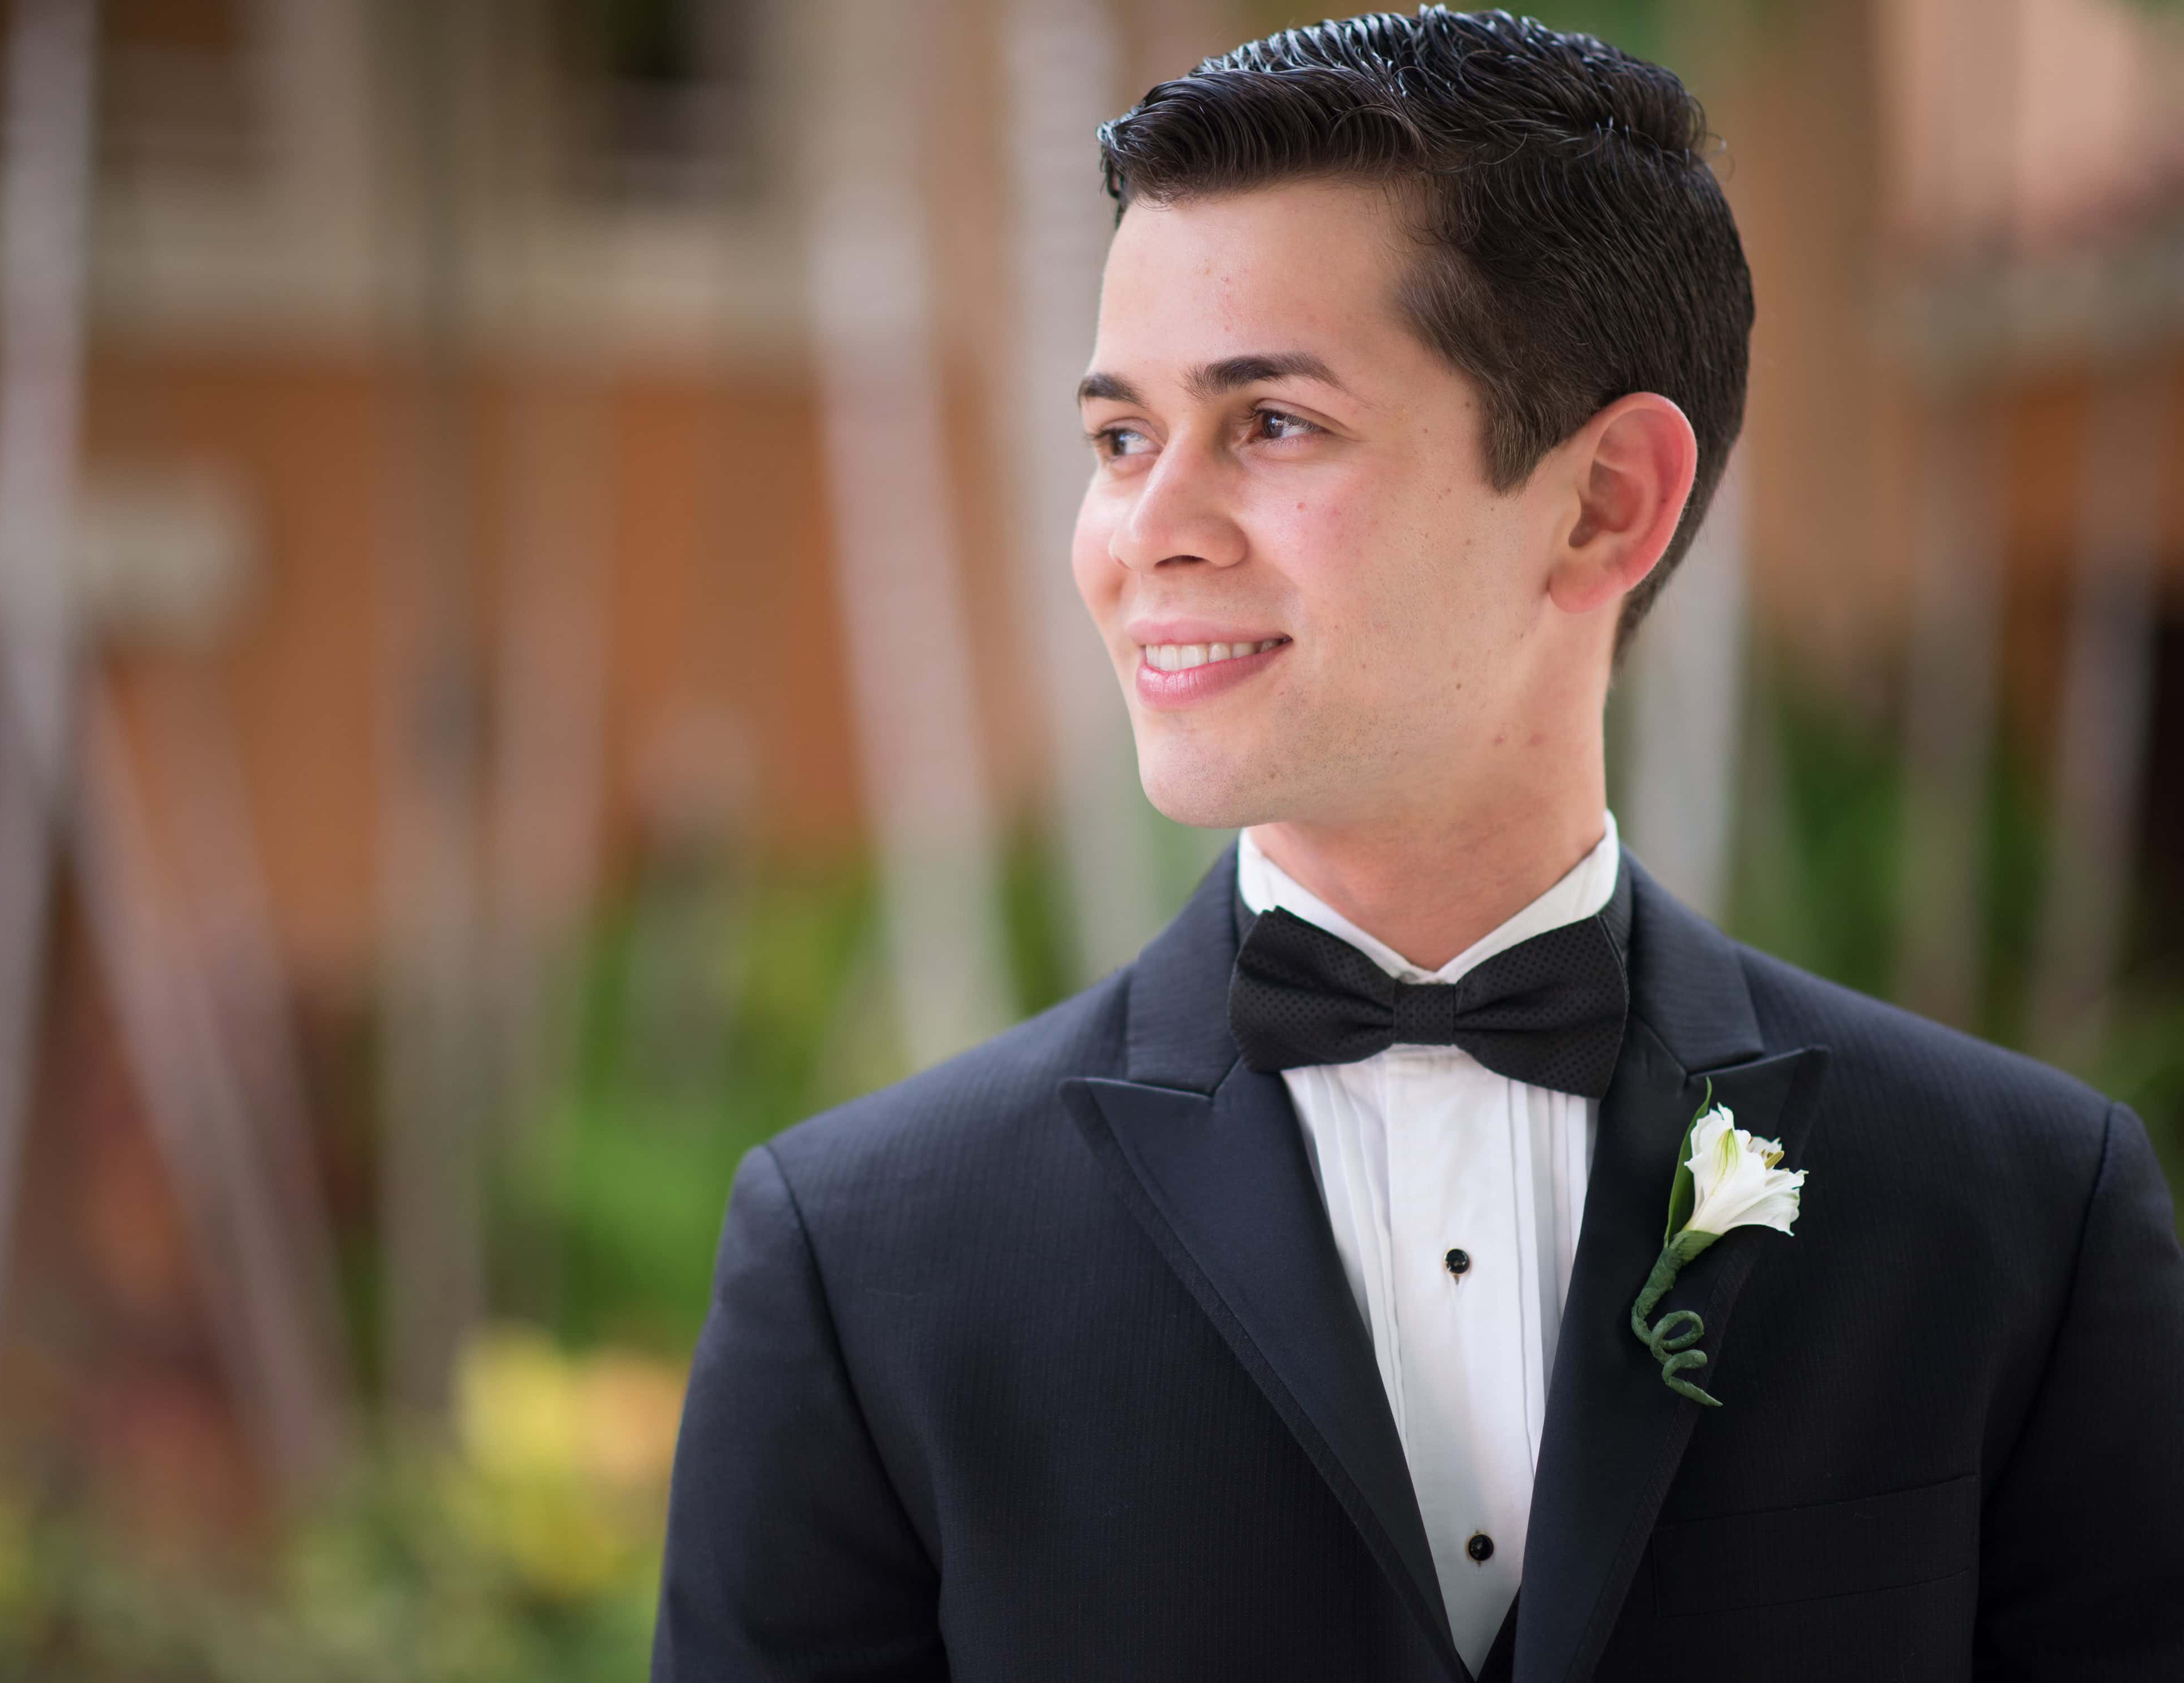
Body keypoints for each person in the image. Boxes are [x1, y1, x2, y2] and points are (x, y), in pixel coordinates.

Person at [651, 12, 2184, 1682]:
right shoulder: (860, 1255)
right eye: (1115, 438)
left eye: (1270, 425)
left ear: (1603, 498)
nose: (1142, 532)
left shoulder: (2016, 1210)